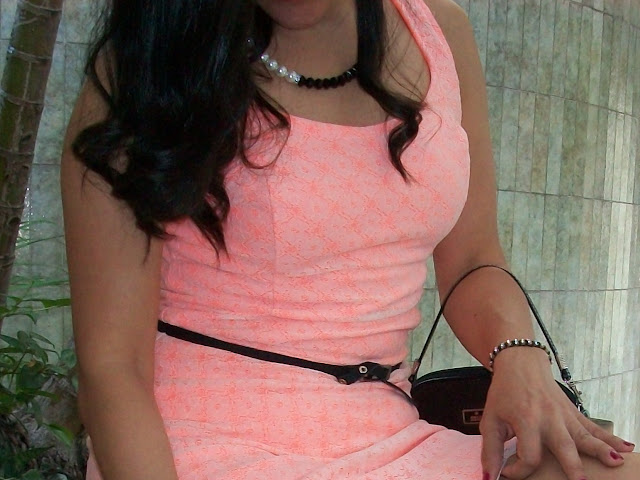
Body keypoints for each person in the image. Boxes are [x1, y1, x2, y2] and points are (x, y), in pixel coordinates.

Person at [60, 0, 638, 479]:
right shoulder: (149, 57)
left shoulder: (440, 33)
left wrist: (519, 356)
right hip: (199, 443)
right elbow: (112, 368)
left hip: (391, 436)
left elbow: (473, 260)